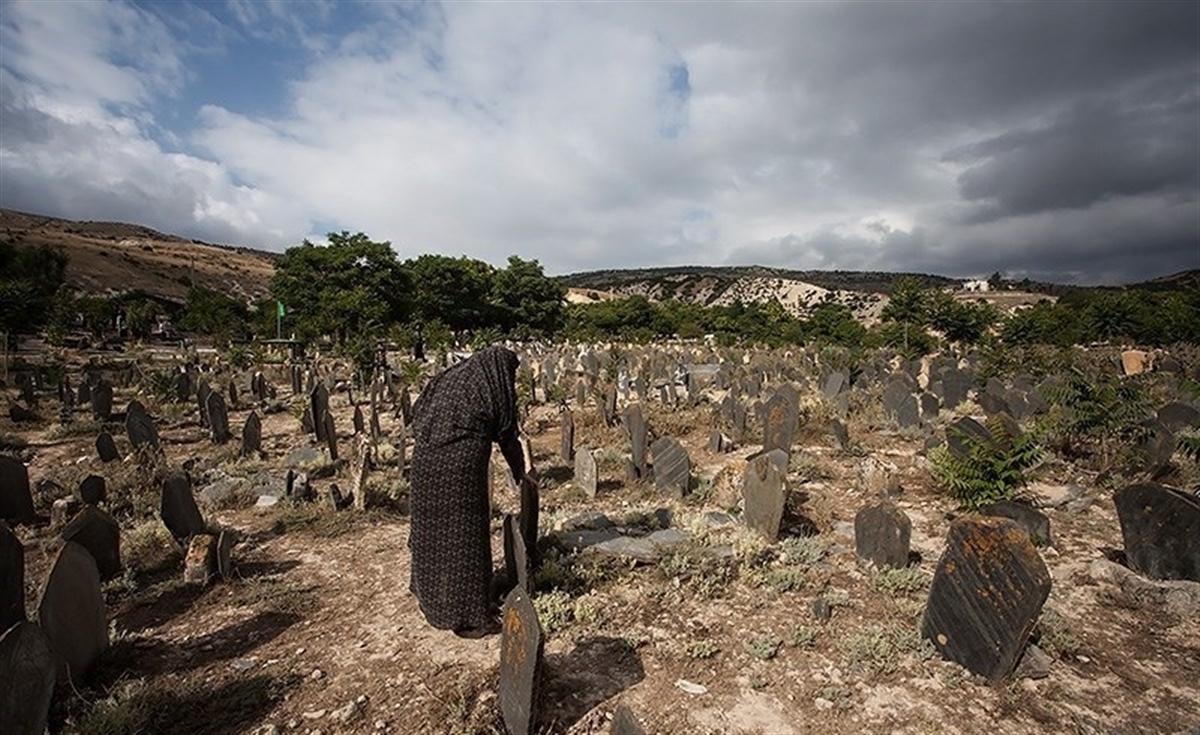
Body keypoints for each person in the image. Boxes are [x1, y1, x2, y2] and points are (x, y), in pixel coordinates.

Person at [408, 345, 527, 636]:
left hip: (424, 461)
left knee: (432, 535)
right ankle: (470, 616)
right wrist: (521, 472)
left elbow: (416, 412)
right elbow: (506, 432)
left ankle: (434, 601)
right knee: (465, 537)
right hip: (459, 467)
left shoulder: (450, 378)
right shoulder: (494, 380)